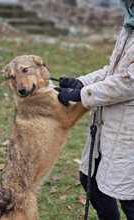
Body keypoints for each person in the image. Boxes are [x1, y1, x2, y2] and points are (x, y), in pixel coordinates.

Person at [56, 0, 134, 219]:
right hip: (109, 122)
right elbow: (113, 71)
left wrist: (81, 95)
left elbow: (127, 83)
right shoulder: (129, 26)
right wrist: (81, 82)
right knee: (89, 178)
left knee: (128, 196)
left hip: (128, 128)